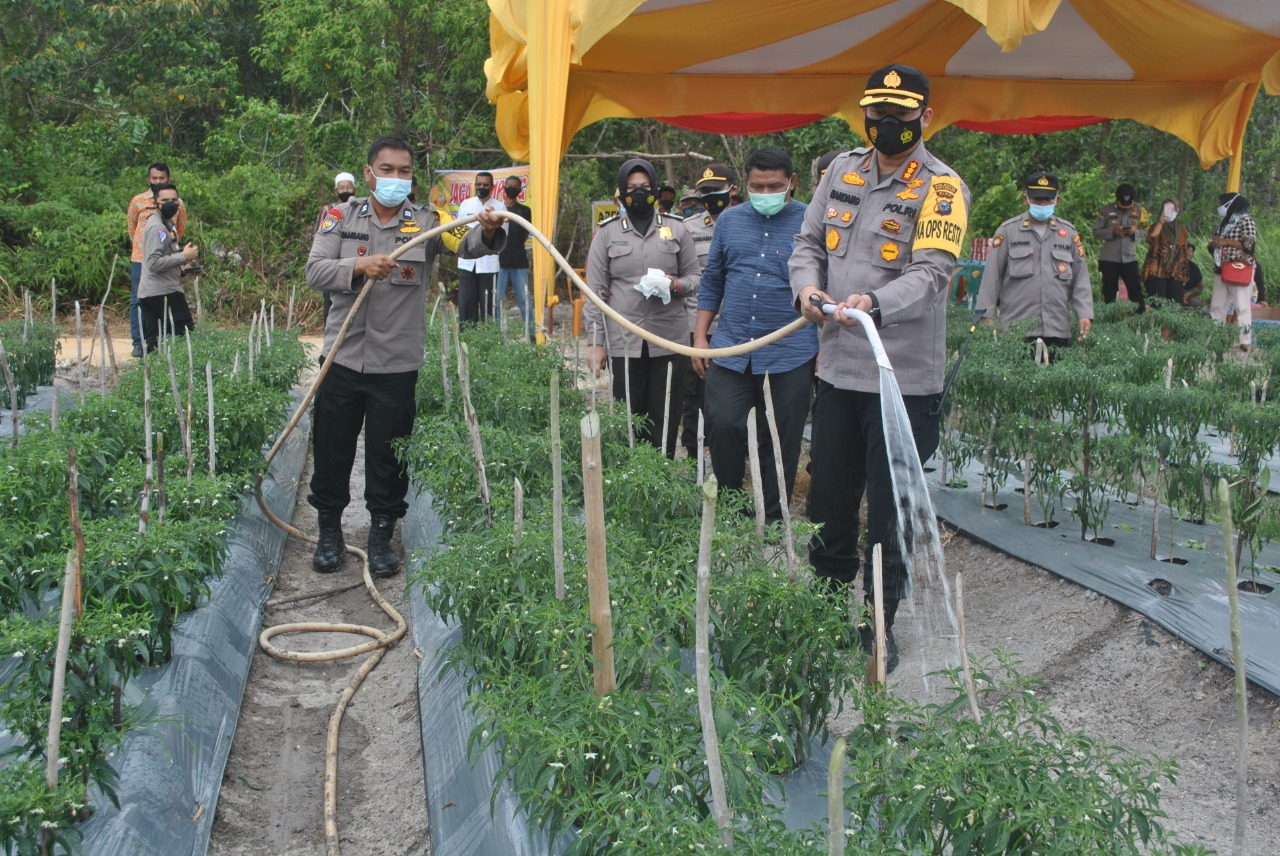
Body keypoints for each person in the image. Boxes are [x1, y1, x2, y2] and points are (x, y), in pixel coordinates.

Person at [790, 64, 970, 673]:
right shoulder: (841, 171)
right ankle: (822, 613)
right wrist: (807, 291)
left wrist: (875, 304)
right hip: (837, 373)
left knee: (888, 512)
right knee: (830, 505)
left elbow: (932, 273)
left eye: (899, 114)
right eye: (877, 114)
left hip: (902, 380)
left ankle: (879, 623)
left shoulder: (942, 187)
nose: (886, 124)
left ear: (926, 115)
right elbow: (808, 244)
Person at [306, 136, 504, 575]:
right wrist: (358, 267)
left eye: (404, 171)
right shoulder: (338, 216)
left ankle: (381, 535)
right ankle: (329, 532)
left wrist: (488, 229)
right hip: (341, 356)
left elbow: (465, 244)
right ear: (369, 172)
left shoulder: (428, 221)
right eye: (387, 169)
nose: (396, 178)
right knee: (331, 447)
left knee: (388, 453)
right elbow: (315, 271)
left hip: (396, 363)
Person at [693, 148, 817, 523]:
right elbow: (713, 279)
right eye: (757, 186)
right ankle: (730, 509)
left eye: (774, 186)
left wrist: (824, 347)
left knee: (780, 436)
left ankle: (772, 516)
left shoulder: (813, 221)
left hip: (791, 350)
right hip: (732, 346)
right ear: (743, 186)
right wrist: (701, 337)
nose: (765, 192)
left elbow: (826, 283)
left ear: (792, 183)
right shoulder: (729, 221)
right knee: (724, 423)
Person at [584, 158, 700, 456]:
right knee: (628, 420)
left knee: (665, 419)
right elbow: (594, 292)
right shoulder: (607, 233)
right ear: (621, 192)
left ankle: (663, 479)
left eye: (645, 188)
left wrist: (674, 285)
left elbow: (695, 277)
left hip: (669, 341)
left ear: (656, 190)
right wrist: (596, 343)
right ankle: (630, 485)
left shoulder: (676, 229)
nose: (638, 193)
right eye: (632, 188)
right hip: (625, 342)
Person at [977, 171, 1093, 350]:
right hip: (1017, 329)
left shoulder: (1068, 233)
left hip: (1057, 329)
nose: (1043, 204)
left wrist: (1084, 314)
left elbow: (1081, 279)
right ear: (1026, 199)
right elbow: (991, 277)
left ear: (1057, 200)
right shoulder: (1007, 231)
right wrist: (986, 316)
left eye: (1047, 201)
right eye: (1038, 200)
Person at [679, 163, 738, 457]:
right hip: (698, 327)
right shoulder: (688, 229)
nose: (710, 197)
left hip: (737, 327)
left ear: (733, 190)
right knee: (694, 394)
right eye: (705, 192)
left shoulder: (747, 222)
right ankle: (693, 454)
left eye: (716, 190)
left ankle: (730, 452)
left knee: (731, 397)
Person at [127, 161, 189, 358]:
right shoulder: (138, 201)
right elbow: (132, 226)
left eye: (161, 178)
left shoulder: (176, 202)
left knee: (164, 299)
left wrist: (171, 249)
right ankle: (139, 342)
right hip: (140, 257)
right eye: (154, 178)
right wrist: (143, 246)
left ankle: (164, 342)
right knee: (139, 299)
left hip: (166, 256)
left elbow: (179, 228)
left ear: (168, 179)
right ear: (148, 179)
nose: (157, 181)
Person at [137, 183, 198, 353]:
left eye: (174, 200)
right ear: (156, 203)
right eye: (165, 200)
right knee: (183, 337)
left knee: (155, 345)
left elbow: (164, 257)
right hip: (162, 294)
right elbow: (154, 263)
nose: (171, 203)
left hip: (156, 292)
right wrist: (184, 256)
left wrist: (183, 266)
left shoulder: (166, 224)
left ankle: (152, 377)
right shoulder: (158, 227)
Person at [1208, 192, 1258, 350]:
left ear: (1231, 204)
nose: (1220, 206)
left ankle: (1245, 341)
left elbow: (1249, 245)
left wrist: (1225, 242)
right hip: (1220, 268)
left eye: (1222, 203)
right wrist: (1214, 245)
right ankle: (1216, 339)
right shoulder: (1222, 223)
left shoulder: (1246, 220)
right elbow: (1216, 245)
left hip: (1239, 267)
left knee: (1242, 306)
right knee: (1217, 306)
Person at [455, 171, 506, 323]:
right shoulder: (465, 205)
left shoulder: (499, 207)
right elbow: (459, 231)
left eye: (485, 185)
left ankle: (488, 340)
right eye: (479, 184)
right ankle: (466, 340)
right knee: (466, 304)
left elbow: (504, 236)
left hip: (489, 265)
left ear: (492, 187)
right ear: (474, 185)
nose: (481, 187)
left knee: (488, 307)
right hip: (466, 263)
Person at [1092, 183, 1148, 309]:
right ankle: (1109, 322)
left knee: (1136, 291)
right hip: (1109, 258)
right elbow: (1096, 232)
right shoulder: (1106, 210)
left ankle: (1139, 321)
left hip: (1129, 258)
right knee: (1109, 293)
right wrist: (1112, 232)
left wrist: (1135, 233)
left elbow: (1147, 233)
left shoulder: (1140, 210)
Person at [317, 172, 359, 324]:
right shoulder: (329, 211)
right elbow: (321, 236)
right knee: (330, 303)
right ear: (336, 191)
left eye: (348, 187)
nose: (345, 191)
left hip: (355, 264)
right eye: (342, 188)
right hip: (333, 265)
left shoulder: (359, 209)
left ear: (354, 189)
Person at [496, 175, 533, 337]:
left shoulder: (525, 211)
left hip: (519, 261)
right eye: (509, 185)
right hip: (498, 262)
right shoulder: (498, 209)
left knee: (524, 300)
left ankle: (531, 333)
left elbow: (525, 234)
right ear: (503, 188)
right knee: (496, 301)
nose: (511, 188)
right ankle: (496, 333)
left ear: (520, 190)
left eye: (515, 186)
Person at [1141, 197, 1191, 306]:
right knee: (1158, 305)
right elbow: (1151, 239)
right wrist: (1160, 223)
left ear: (1177, 211)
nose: (1170, 212)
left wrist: (1184, 275)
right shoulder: (1156, 226)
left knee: (1175, 305)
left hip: (1175, 272)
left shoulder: (1182, 230)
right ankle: (1157, 324)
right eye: (1167, 208)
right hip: (1157, 270)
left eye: (1173, 209)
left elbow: (1183, 253)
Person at [1183, 244, 1205, 309]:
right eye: (1187, 252)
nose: (1188, 254)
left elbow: (1200, 286)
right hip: (1175, 292)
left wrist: (1190, 293)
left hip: (1189, 294)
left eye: (1191, 252)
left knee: (1196, 303)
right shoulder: (1175, 266)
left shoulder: (1194, 268)